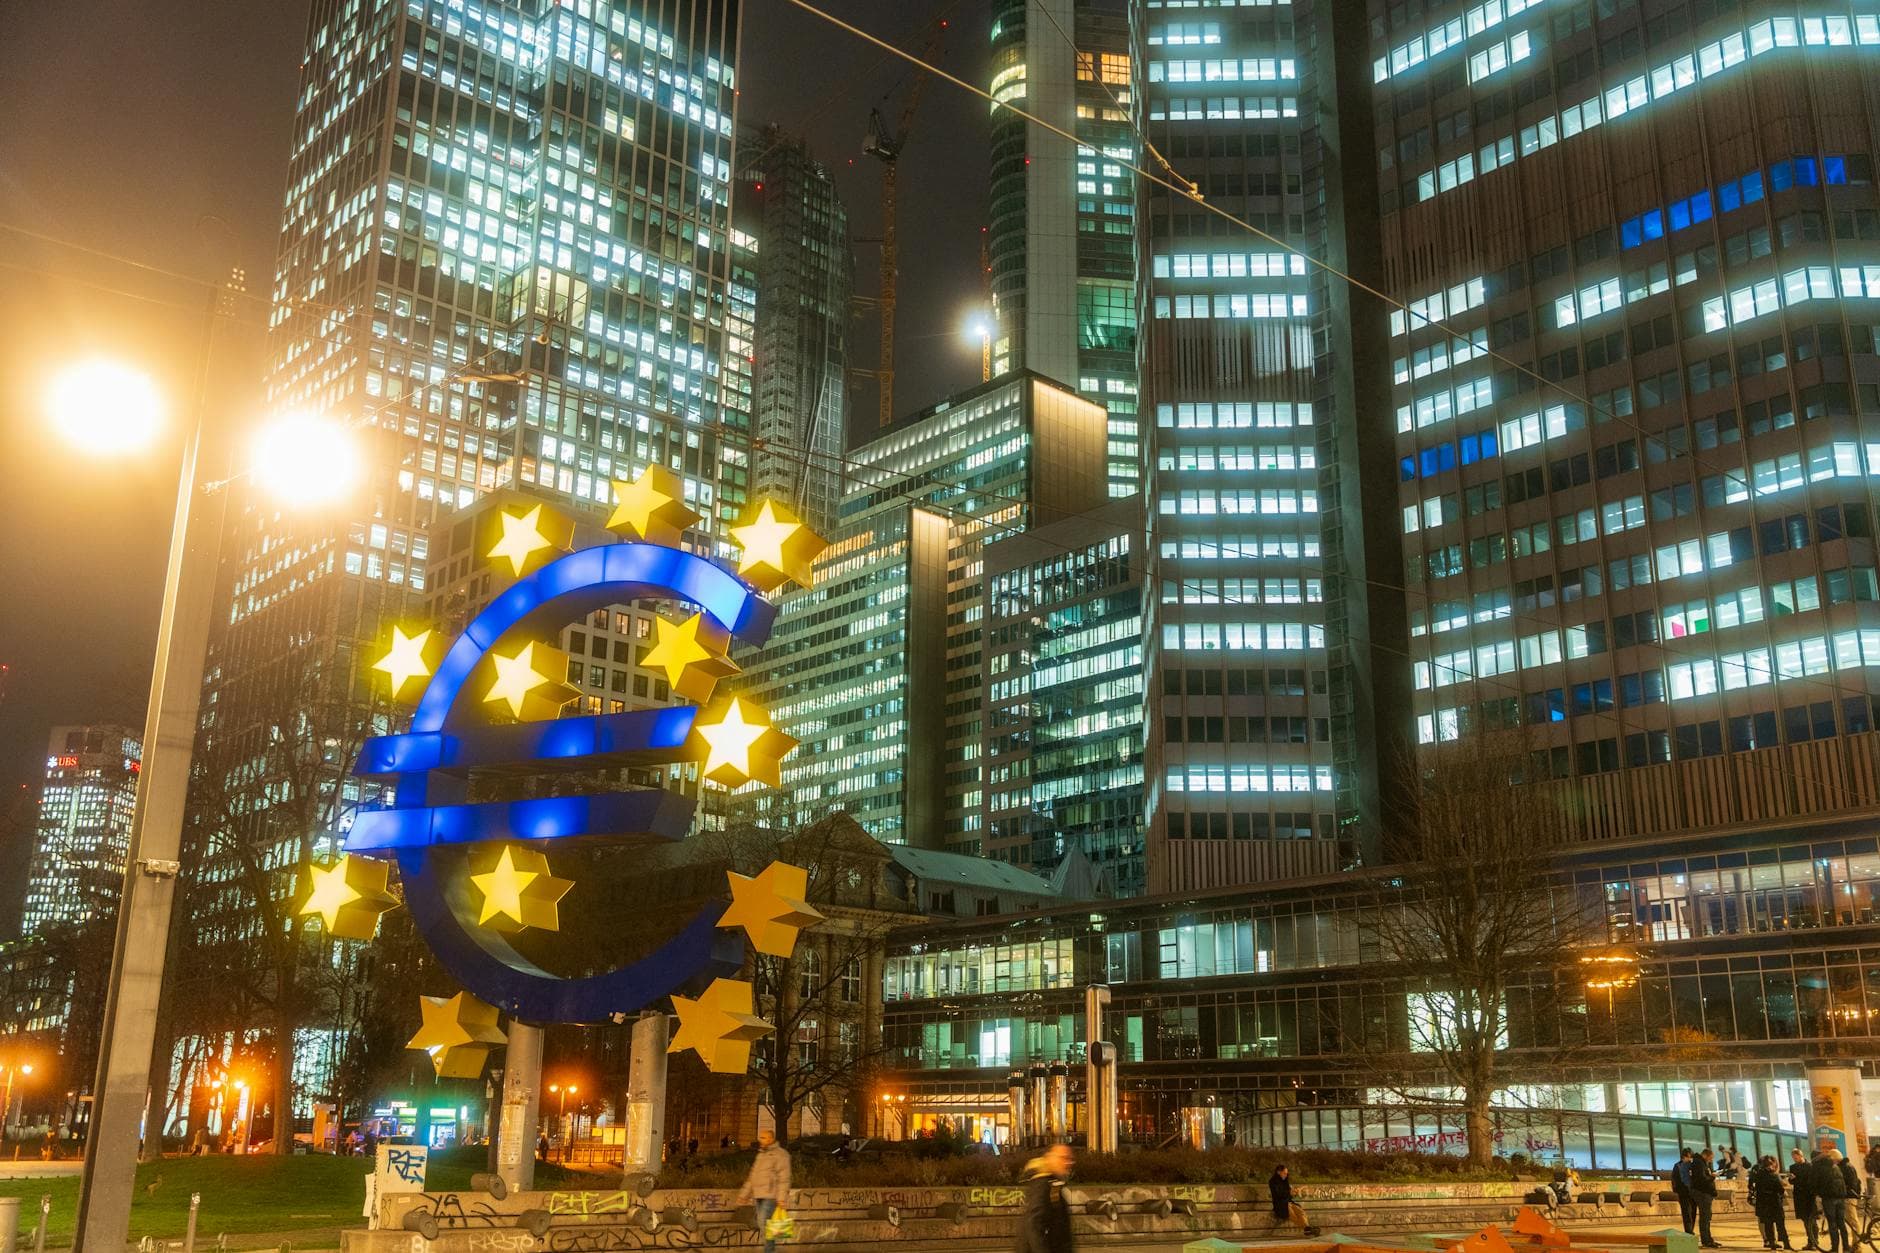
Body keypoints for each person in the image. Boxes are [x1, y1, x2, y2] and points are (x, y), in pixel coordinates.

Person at [737, 1128, 794, 1253]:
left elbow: (784, 1178)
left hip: (771, 1196)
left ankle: (769, 1251)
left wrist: (782, 1198)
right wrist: (744, 1195)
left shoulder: (781, 1154)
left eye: (763, 1137)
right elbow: (752, 1176)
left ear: (771, 1139)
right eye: (760, 1137)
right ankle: (770, 1249)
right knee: (763, 1224)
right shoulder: (761, 1155)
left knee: (764, 1223)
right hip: (758, 1195)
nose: (760, 1140)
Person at [1016, 1143, 1073, 1253]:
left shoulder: (1052, 1183)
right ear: (1050, 1158)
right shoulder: (1042, 1185)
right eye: (1063, 1158)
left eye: (1069, 1159)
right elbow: (1034, 1225)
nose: (1068, 1163)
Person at [1750, 1154, 1793, 1250]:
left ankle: (1772, 1243)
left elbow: (1754, 1186)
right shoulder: (1774, 1175)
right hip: (1774, 1203)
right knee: (1780, 1225)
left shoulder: (1758, 1176)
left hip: (1763, 1203)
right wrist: (1784, 1192)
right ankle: (1786, 1244)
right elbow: (1781, 1190)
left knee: (1768, 1224)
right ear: (1771, 1165)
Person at [1812, 1148, 1849, 1253]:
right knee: (1841, 1223)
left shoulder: (1820, 1167)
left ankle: (1835, 1249)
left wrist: (1817, 1193)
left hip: (1829, 1198)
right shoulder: (1835, 1166)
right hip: (1840, 1197)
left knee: (1832, 1224)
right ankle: (1846, 1248)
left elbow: (1816, 1182)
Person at [1691, 1147, 1721, 1249]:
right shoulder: (1699, 1163)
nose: (1711, 1160)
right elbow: (1701, 1180)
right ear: (1705, 1155)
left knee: (1707, 1217)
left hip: (1705, 1193)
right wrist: (1712, 1176)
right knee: (1705, 1217)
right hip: (1702, 1194)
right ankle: (1706, 1240)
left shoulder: (1701, 1163)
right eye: (1710, 1158)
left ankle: (1708, 1239)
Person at [1793, 1149, 1822, 1251]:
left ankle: (1814, 1241)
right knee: (1805, 1220)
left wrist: (1797, 1179)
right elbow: (1793, 1181)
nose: (1795, 1160)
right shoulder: (1793, 1167)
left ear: (1801, 1156)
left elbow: (1809, 1181)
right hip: (1799, 1197)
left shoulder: (1810, 1166)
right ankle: (1810, 1241)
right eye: (1793, 1158)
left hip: (1809, 1196)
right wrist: (1792, 1179)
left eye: (1796, 1157)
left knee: (1811, 1220)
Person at [1674, 1148, 1699, 1236]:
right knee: (1686, 1213)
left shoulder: (1693, 1166)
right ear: (1683, 1157)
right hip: (1684, 1194)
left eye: (1691, 1157)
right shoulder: (1678, 1166)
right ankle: (1689, 1231)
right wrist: (1679, 1191)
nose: (1690, 1159)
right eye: (1688, 1157)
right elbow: (1675, 1180)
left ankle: (1691, 1229)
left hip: (1693, 1193)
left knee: (1693, 1212)